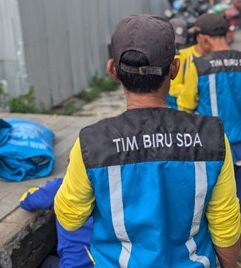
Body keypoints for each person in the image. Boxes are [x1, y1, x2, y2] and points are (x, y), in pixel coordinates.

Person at [54, 15, 240, 268]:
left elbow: (70, 217)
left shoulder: (92, 143)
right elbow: (225, 225)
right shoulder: (213, 137)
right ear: (173, 69)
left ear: (112, 70)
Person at [177, 13, 241, 202]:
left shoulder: (199, 66)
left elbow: (185, 105)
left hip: (212, 144)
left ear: (203, 39)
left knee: (217, 199)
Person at [19, 178, 93, 268]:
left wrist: (43, 188)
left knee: (48, 262)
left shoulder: (61, 185)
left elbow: (26, 201)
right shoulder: (109, 193)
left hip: (74, 265)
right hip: (106, 261)